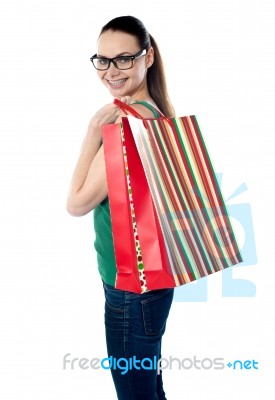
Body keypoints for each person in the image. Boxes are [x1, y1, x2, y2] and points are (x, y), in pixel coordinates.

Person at [67, 15, 175, 400]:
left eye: (124, 59)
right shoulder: (157, 112)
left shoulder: (125, 125)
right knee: (149, 388)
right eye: (103, 59)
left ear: (147, 58)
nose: (111, 71)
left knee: (135, 393)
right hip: (155, 281)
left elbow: (76, 203)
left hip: (131, 288)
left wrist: (92, 133)